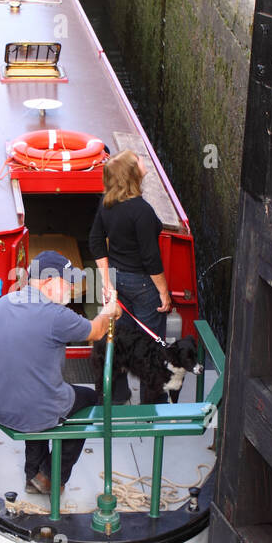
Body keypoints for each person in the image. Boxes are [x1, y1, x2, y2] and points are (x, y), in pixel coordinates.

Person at [0, 250, 116, 495]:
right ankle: (50, 476)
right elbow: (97, 331)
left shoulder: (2, 303)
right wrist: (109, 309)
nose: (72, 289)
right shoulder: (57, 316)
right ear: (49, 283)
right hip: (33, 408)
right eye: (68, 282)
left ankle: (31, 476)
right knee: (89, 399)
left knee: (35, 397)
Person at [89, 149, 172, 403]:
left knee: (119, 338)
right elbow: (150, 258)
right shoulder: (142, 211)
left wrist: (106, 282)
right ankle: (151, 405)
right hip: (143, 284)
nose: (143, 162)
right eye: (139, 161)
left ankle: (116, 395)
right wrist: (164, 293)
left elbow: (95, 241)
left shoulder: (107, 204)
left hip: (117, 280)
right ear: (132, 174)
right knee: (150, 346)